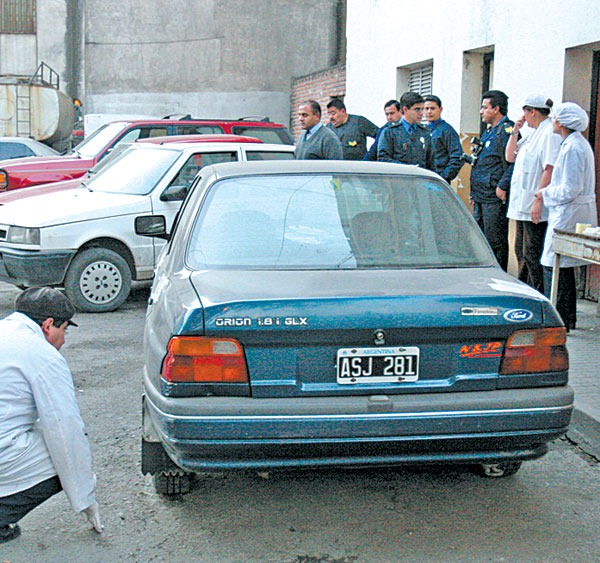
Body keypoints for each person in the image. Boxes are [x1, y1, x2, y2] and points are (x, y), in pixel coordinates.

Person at [0, 287, 102, 543]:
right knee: (64, 457)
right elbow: (64, 429)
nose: (64, 339)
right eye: (64, 330)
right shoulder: (43, 356)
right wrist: (86, 497)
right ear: (47, 325)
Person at [534, 102, 598, 330]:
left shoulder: (573, 148)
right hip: (570, 210)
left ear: (561, 122)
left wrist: (544, 193)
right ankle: (567, 316)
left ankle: (559, 317)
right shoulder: (574, 144)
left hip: (569, 211)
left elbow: (570, 188)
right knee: (564, 264)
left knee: (553, 263)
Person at [505, 94, 561, 292]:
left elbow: (549, 168)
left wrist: (538, 200)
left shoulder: (549, 134)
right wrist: (515, 132)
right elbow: (510, 157)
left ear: (533, 111)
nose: (524, 117)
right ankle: (524, 289)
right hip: (522, 204)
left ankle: (536, 294)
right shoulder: (532, 133)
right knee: (521, 251)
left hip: (534, 206)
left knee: (532, 253)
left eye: (525, 113)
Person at [469, 90, 515, 271]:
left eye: (484, 107)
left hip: (493, 196)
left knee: (495, 241)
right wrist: (473, 192)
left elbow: (513, 163)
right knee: (480, 241)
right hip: (481, 195)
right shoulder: (490, 132)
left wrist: (503, 185)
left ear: (496, 109)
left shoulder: (507, 131)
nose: (481, 111)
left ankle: (497, 276)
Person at [377, 91, 434, 170]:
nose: (421, 113)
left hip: (419, 179)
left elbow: (431, 162)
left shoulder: (425, 132)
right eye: (417, 109)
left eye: (422, 109)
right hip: (399, 178)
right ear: (405, 109)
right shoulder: (390, 132)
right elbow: (383, 159)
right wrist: (406, 168)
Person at [423, 95, 464, 183]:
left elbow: (458, 156)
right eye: (426, 109)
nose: (429, 112)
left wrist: (445, 176)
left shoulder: (447, 130)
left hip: (439, 180)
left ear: (440, 109)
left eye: (432, 108)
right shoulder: (423, 130)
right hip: (425, 179)